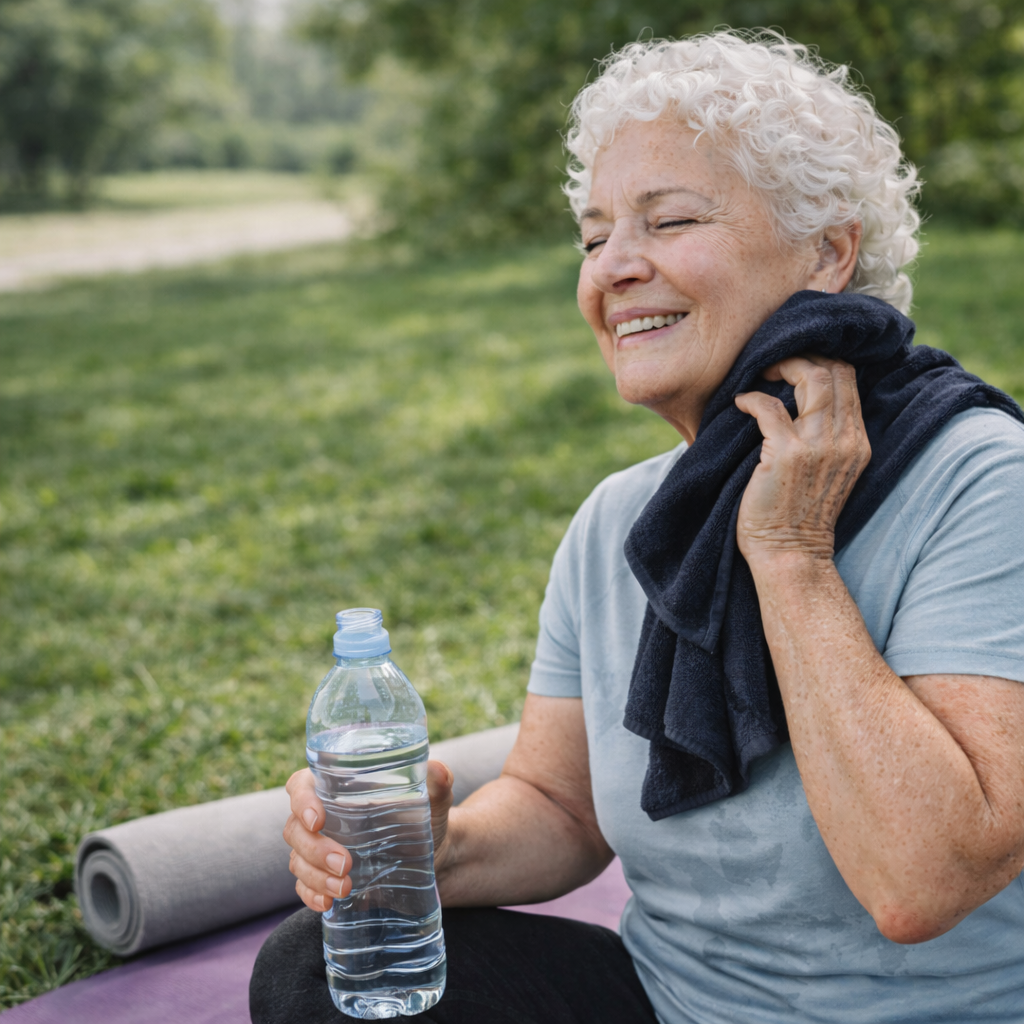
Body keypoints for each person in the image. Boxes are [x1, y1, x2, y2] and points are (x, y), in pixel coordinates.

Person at [251, 31, 1024, 1024]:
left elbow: (922, 880)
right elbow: (561, 806)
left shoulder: (980, 479)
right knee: (311, 969)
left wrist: (791, 555)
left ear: (827, 251)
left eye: (668, 220)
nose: (613, 267)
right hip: (672, 1004)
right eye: (592, 235)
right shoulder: (623, 519)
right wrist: (430, 852)